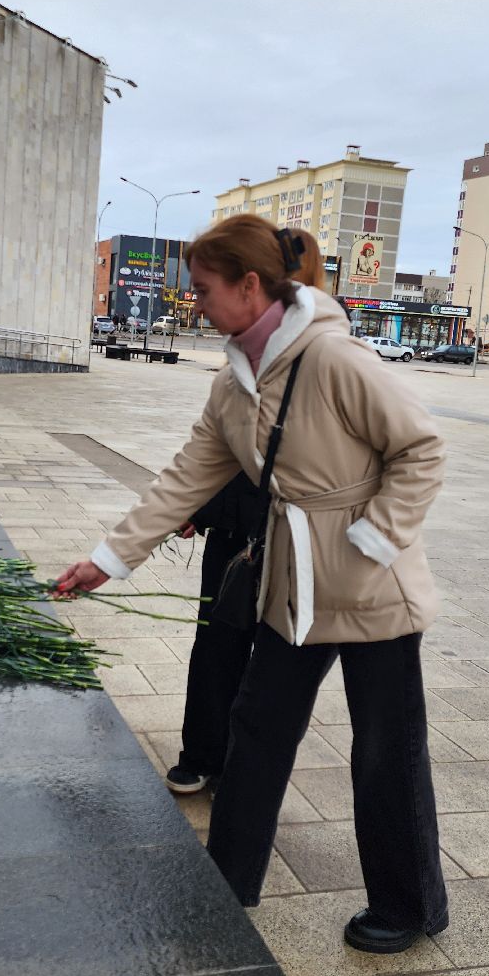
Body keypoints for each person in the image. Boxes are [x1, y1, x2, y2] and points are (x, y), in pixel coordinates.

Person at [57, 215, 449, 954]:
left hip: (372, 587)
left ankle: (407, 906)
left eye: (203, 289)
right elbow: (185, 477)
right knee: (256, 728)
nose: (194, 301)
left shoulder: (333, 358)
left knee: (385, 749)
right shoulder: (233, 379)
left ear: (248, 284)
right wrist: (107, 560)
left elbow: (422, 448)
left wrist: (372, 539)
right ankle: (228, 880)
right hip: (292, 582)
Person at [165, 229, 327, 796]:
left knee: (273, 665)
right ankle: (204, 753)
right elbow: (220, 456)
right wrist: (196, 511)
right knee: (217, 644)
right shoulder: (249, 358)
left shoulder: (321, 356)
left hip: (295, 541)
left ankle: (247, 768)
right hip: (236, 535)